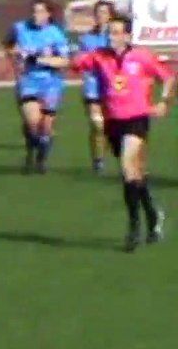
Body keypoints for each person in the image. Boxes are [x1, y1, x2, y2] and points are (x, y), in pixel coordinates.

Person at [72, 15, 174, 252]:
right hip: (113, 121)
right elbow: (75, 63)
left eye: (118, 32)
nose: (113, 36)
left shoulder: (141, 57)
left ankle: (133, 227)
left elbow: (167, 78)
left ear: (128, 35)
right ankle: (152, 213)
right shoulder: (99, 56)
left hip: (137, 119)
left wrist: (163, 102)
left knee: (128, 169)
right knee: (135, 175)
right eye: (110, 32)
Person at [6, 0, 70, 174]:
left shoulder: (56, 33)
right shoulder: (20, 28)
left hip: (51, 82)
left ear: (48, 14)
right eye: (34, 11)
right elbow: (9, 45)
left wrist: (40, 59)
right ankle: (30, 149)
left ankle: (41, 158)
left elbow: (64, 61)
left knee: (46, 126)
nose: (36, 15)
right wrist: (14, 54)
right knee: (32, 121)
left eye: (41, 12)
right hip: (28, 80)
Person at [76, 0, 114, 175]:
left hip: (112, 86)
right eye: (98, 13)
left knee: (106, 126)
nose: (100, 16)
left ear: (110, 15)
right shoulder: (86, 39)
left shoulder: (116, 37)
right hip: (92, 86)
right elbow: (80, 61)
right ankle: (97, 160)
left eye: (104, 13)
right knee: (96, 124)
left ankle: (101, 156)